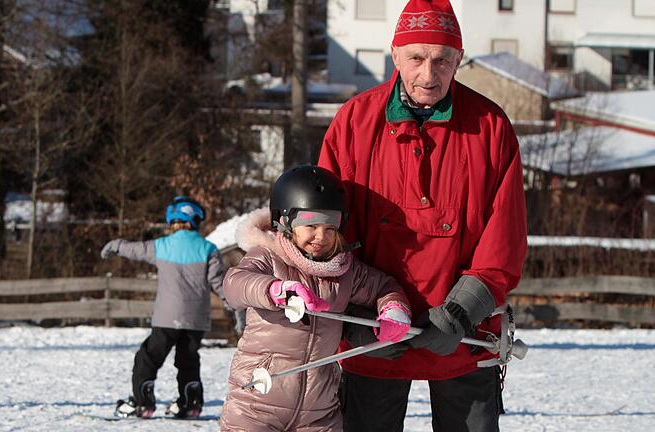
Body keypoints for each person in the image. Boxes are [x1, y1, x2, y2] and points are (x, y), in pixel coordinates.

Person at [317, 0, 528, 431]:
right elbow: (323, 234)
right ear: (395, 54)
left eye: (442, 60)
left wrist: (461, 310)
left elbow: (503, 239)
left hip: (464, 331)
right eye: (416, 58)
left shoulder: (490, 126)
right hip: (373, 326)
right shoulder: (353, 122)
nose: (428, 75)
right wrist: (355, 322)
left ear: (459, 60)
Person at [219, 165, 412, 431]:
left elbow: (383, 286)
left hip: (318, 411)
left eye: (330, 228)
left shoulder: (344, 271)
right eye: (310, 225)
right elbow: (235, 284)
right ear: (285, 223)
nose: (320, 237)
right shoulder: (268, 257)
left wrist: (393, 309)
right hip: (257, 404)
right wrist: (276, 290)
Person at [100, 196, 226, 419]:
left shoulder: (162, 246)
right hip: (196, 320)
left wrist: (116, 245)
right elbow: (220, 283)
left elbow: (136, 250)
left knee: (148, 357)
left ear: (173, 220)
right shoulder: (209, 249)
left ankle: (143, 403)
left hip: (168, 318)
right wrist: (236, 305)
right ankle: (191, 404)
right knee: (188, 360)